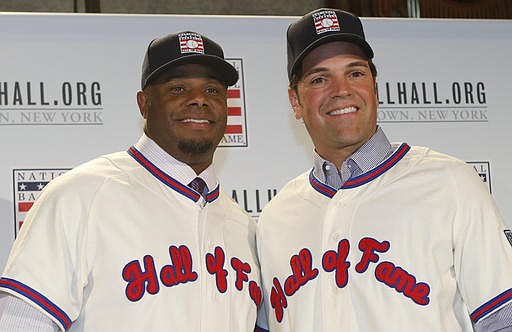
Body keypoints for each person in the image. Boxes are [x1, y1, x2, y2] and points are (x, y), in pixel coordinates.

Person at [256, 8, 512, 332]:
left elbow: (503, 319)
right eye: (320, 78)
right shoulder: (277, 216)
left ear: (375, 86)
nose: (341, 90)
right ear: (295, 101)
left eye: (355, 73)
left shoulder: (450, 184)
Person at [0, 31, 262, 331]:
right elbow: (20, 324)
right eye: (178, 88)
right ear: (144, 104)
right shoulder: (82, 195)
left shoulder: (242, 226)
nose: (198, 100)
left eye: (213, 90)